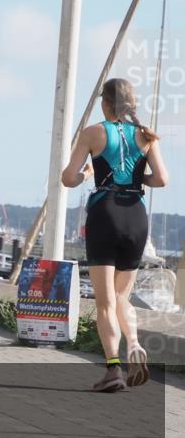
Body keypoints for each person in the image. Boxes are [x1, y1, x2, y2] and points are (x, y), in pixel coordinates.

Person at [62, 77, 167, 392]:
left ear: (104, 103)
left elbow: (68, 178)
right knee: (122, 296)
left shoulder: (93, 133)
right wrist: (137, 180)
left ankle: (113, 369)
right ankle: (134, 343)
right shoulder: (146, 136)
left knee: (106, 302)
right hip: (136, 215)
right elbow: (161, 179)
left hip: (105, 214)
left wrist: (86, 174)